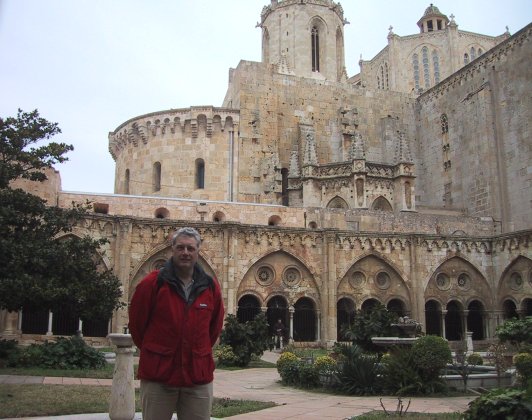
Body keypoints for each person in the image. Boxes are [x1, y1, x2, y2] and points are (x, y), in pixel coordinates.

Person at [129, 227, 225, 420]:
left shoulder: (210, 286)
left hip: (197, 375)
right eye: (180, 247)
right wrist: (157, 352)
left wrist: (197, 350)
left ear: (198, 251)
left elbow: (213, 329)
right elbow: (137, 326)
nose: (185, 253)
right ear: (172, 249)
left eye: (190, 248)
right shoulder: (152, 284)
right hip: (159, 375)